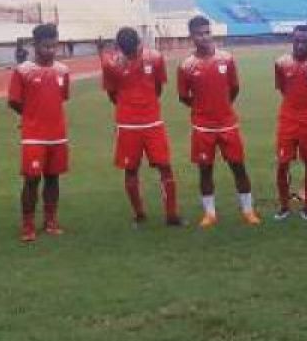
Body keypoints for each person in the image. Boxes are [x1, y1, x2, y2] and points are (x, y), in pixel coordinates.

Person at [178, 16, 260, 228]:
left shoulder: (226, 59)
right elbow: (184, 96)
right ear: (191, 37)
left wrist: (223, 106)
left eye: (207, 32)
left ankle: (248, 210)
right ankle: (210, 213)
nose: (204, 37)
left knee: (238, 168)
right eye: (199, 34)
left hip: (227, 124)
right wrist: (202, 109)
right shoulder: (186, 66)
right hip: (202, 127)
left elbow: (234, 88)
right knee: (205, 170)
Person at [100, 26, 182, 227]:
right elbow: (112, 94)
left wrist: (145, 105)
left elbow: (157, 88)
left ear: (140, 43)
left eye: (134, 50)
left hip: (153, 122)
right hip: (127, 125)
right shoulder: (110, 64)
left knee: (165, 166)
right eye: (127, 52)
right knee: (131, 169)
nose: (131, 55)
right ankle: (139, 213)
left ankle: (171, 214)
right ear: (119, 48)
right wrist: (128, 107)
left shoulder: (154, 58)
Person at [8, 23, 70, 242]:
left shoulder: (63, 70)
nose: (51, 51)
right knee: (32, 180)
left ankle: (51, 220)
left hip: (58, 134)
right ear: (35, 45)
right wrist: (31, 116)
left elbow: (62, 97)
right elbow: (14, 102)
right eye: (45, 47)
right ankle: (28, 224)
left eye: (54, 46)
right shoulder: (23, 70)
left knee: (53, 179)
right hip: (34, 135)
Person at [274, 25, 307, 220]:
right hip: (288, 120)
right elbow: (282, 88)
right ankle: (284, 206)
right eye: (297, 40)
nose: (300, 45)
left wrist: (306, 108)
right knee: (282, 164)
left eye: (305, 41)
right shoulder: (281, 63)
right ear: (292, 39)